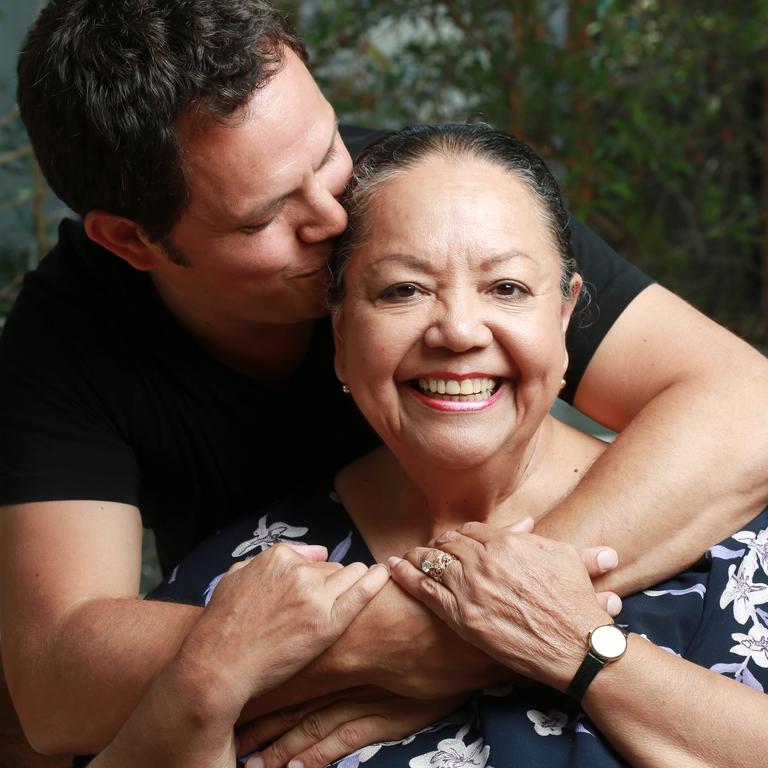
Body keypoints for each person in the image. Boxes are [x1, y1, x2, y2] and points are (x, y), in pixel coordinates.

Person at [1, 0, 767, 759]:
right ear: (132, 239)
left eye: (327, 146)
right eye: (265, 215)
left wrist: (478, 623)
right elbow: (53, 682)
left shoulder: (426, 203)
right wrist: (380, 643)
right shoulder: (67, 338)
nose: (335, 219)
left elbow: (745, 405)